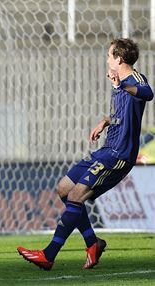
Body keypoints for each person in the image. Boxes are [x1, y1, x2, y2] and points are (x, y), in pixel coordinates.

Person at [17, 38, 153, 270]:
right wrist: (105, 121)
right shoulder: (118, 83)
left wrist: (123, 86)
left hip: (119, 155)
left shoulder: (133, 80)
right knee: (64, 189)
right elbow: (124, 114)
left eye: (109, 55)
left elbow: (147, 93)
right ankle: (93, 242)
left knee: (76, 197)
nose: (107, 59)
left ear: (119, 58)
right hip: (106, 149)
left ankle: (48, 255)